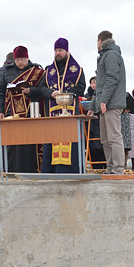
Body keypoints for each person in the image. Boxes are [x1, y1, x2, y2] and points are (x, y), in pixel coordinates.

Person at [34, 37, 86, 173]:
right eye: (56, 50)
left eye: (60, 50)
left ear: (67, 51)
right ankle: (51, 170)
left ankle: (69, 170)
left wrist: (66, 93)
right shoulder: (49, 71)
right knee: (52, 140)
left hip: (70, 113)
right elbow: (41, 89)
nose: (58, 53)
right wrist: (51, 93)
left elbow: (81, 87)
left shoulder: (77, 69)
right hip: (53, 113)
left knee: (69, 140)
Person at [0, 45, 43, 173]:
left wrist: (31, 91)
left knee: (29, 143)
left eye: (22, 59)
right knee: (13, 144)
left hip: (30, 111)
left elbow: (43, 89)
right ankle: (11, 170)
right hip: (12, 113)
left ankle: (32, 170)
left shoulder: (36, 71)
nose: (20, 62)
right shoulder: (7, 71)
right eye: (17, 60)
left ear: (27, 58)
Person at [87, 30, 126, 174]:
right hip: (104, 104)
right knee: (105, 139)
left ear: (100, 41)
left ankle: (118, 169)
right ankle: (110, 168)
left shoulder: (111, 55)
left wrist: (104, 101)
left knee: (114, 137)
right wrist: (93, 106)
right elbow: (100, 85)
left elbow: (111, 79)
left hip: (112, 104)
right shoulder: (104, 56)